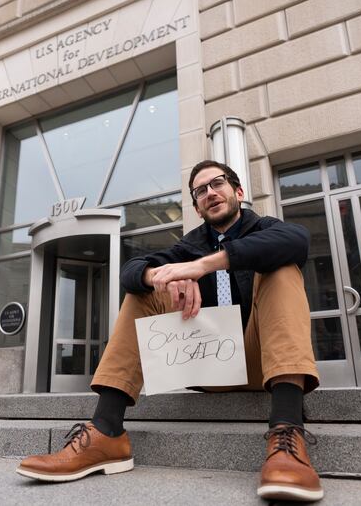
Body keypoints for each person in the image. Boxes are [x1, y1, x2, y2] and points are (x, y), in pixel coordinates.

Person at [17, 160, 323, 502]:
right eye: (200, 191)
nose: (210, 193)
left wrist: (205, 265)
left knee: (281, 268)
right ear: (196, 206)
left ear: (237, 192)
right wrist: (162, 277)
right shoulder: (188, 244)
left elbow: (297, 241)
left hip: (261, 363)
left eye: (217, 184)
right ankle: (106, 431)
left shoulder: (264, 227)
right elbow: (130, 271)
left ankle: (286, 433)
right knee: (145, 288)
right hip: (207, 364)